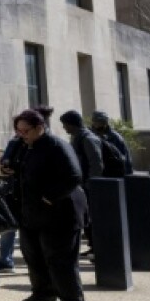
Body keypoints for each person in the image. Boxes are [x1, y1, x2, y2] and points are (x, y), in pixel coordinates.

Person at [13, 108, 88, 301]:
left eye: (25, 131)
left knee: (60, 259)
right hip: (32, 213)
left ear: (39, 128)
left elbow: (73, 176)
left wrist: (49, 197)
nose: (21, 135)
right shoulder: (27, 146)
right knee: (34, 256)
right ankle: (43, 293)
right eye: (19, 131)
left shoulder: (56, 145)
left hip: (60, 213)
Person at [59, 110, 102, 257]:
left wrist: (91, 185)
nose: (64, 128)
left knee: (93, 218)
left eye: (65, 125)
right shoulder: (77, 138)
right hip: (81, 185)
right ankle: (93, 246)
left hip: (89, 186)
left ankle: (98, 248)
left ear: (71, 124)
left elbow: (96, 164)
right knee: (86, 218)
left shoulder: (88, 138)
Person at [0, 133, 26, 271]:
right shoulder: (14, 143)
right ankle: (5, 260)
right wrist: (5, 167)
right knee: (9, 227)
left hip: (28, 193)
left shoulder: (45, 144)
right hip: (12, 191)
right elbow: (4, 162)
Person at [91, 111, 133, 175]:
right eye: (95, 122)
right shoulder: (93, 135)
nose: (97, 124)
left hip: (117, 173)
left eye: (100, 121)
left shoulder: (115, 137)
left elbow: (124, 159)